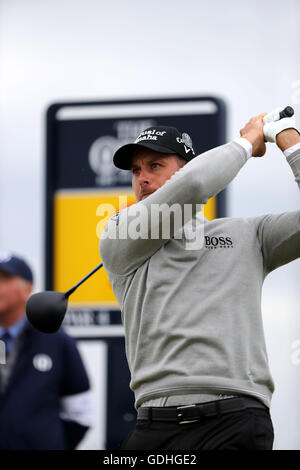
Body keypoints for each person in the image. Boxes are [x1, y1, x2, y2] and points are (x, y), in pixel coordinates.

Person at [99, 109, 300, 450]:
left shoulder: (247, 234)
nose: (142, 178)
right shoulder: (121, 233)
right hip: (156, 427)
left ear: (185, 167)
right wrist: (250, 141)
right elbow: (193, 186)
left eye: (155, 165)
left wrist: (289, 141)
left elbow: (192, 186)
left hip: (236, 421)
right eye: (136, 170)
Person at [0, 252, 93, 450]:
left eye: (5, 279)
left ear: (28, 288)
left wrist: (50, 442)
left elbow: (81, 414)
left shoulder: (57, 341)